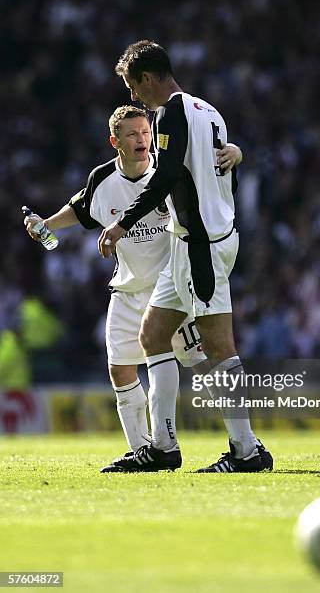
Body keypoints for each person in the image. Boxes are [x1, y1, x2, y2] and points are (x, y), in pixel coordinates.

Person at [24, 104, 243, 472]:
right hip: (127, 291)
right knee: (120, 370)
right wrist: (44, 223)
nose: (143, 140)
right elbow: (79, 210)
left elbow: (213, 164)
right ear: (115, 141)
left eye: (145, 132)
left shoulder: (167, 170)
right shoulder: (103, 180)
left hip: (169, 288)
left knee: (204, 365)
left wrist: (238, 152)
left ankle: (242, 438)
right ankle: (144, 449)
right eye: (132, 134)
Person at [98, 40, 273, 473]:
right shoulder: (207, 110)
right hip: (188, 241)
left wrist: (124, 221)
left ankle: (246, 451)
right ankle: (164, 447)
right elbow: (219, 163)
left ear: (147, 78)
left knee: (218, 345)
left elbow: (169, 175)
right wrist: (240, 153)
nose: (134, 97)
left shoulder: (170, 113)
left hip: (202, 246)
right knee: (154, 335)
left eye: (133, 86)